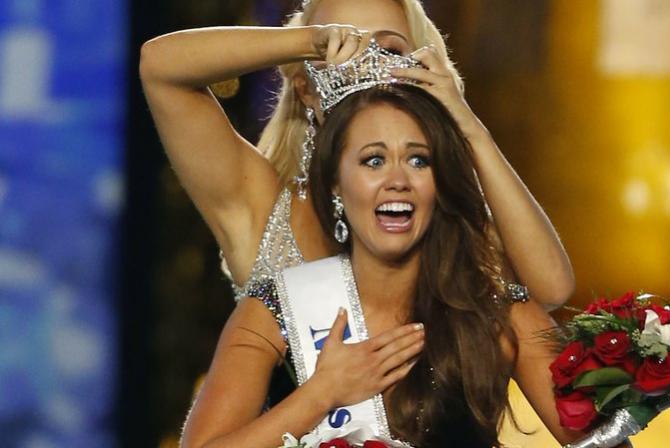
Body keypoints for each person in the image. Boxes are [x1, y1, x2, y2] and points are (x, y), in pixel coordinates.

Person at [180, 80, 595, 447]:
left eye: (419, 160)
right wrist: (322, 393)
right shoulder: (274, 309)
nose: (398, 179)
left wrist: (474, 132)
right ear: (335, 184)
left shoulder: (500, 312)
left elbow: (603, 443)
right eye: (373, 161)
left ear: (440, 183)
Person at [139, 0, 575, 311]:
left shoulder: (437, 214)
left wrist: (467, 126)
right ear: (306, 89)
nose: (366, 70)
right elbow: (161, 66)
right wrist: (311, 40)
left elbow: (551, 289)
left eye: (387, 51)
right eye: (342, 52)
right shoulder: (261, 207)